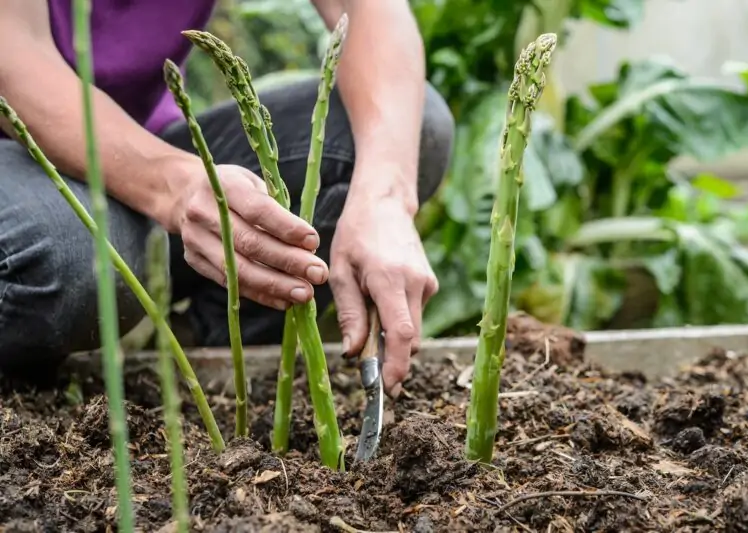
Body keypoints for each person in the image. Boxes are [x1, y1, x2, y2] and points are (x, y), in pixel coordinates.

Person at [0, 0, 454, 395]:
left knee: (405, 134)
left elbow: (369, 9)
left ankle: (200, 351)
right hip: (18, 157)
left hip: (141, 141)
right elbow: (16, 53)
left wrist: (385, 196)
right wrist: (174, 186)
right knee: (79, 260)